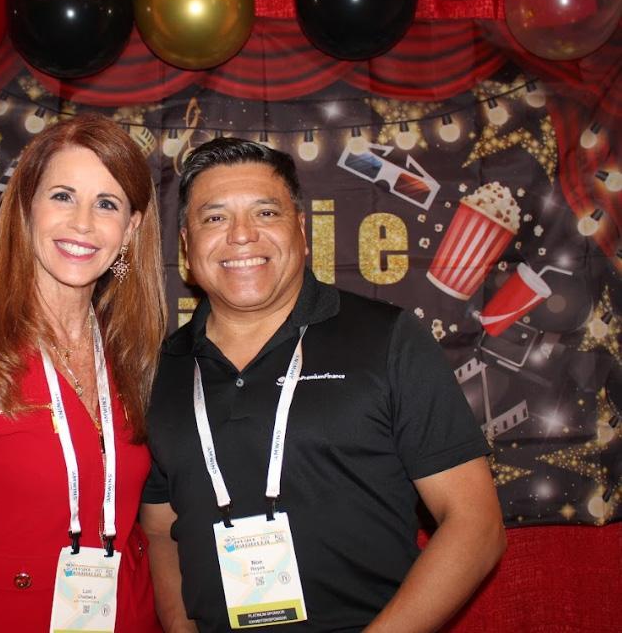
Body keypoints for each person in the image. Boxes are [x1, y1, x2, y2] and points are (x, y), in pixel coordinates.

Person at [141, 138, 506, 632]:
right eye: (215, 217)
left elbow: (476, 525)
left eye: (265, 213)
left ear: (301, 230)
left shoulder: (387, 338)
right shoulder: (163, 367)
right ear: (187, 245)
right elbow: (160, 530)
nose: (242, 235)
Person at [0, 114, 166, 632]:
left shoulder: (133, 351)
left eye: (107, 204)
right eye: (63, 196)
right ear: (26, 207)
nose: (83, 223)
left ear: (131, 230)